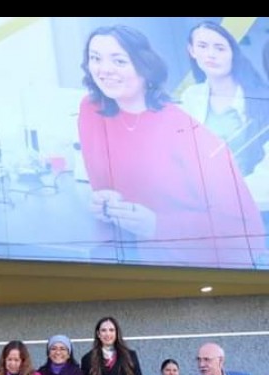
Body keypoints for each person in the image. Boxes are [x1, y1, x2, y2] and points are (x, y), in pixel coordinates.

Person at [78, 24, 265, 268]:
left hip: (189, 268)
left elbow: (244, 231)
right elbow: (105, 181)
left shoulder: (187, 134)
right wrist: (103, 200)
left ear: (145, 66)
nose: (104, 70)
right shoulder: (92, 109)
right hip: (127, 256)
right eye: (95, 58)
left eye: (119, 61)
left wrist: (159, 225)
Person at [180, 20, 269, 178]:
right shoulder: (190, 98)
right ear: (191, 51)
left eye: (219, 48)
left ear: (232, 53)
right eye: (202, 46)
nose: (211, 54)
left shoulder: (261, 98)